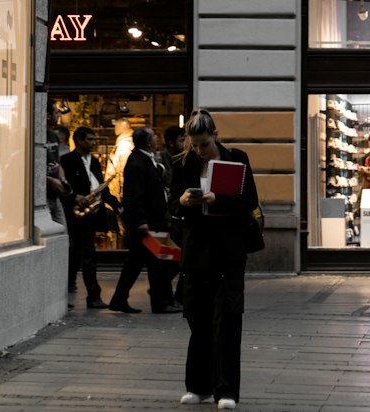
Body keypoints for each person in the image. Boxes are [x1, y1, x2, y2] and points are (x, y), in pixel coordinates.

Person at [172, 107, 259, 412]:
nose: (199, 151)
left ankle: (227, 391)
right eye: (193, 145)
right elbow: (172, 206)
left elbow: (250, 200)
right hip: (196, 252)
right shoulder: (183, 164)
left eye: (204, 144)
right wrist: (183, 202)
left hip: (229, 252)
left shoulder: (237, 159)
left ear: (215, 136)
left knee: (227, 320)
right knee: (197, 320)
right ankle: (198, 386)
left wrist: (217, 199)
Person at [108, 126, 182, 315]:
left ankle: (119, 299)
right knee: (160, 262)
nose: (157, 138)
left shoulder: (145, 159)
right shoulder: (137, 162)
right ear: (148, 142)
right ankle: (161, 302)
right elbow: (134, 195)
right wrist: (141, 221)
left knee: (139, 262)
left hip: (154, 220)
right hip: (149, 222)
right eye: (154, 136)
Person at [61, 126, 111, 309]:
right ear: (79, 140)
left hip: (91, 212)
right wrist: (75, 197)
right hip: (76, 213)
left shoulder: (95, 161)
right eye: (89, 139)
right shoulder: (67, 160)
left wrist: (114, 204)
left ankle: (74, 287)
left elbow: (100, 185)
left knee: (80, 253)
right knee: (86, 254)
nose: (92, 143)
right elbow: (63, 186)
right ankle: (92, 295)